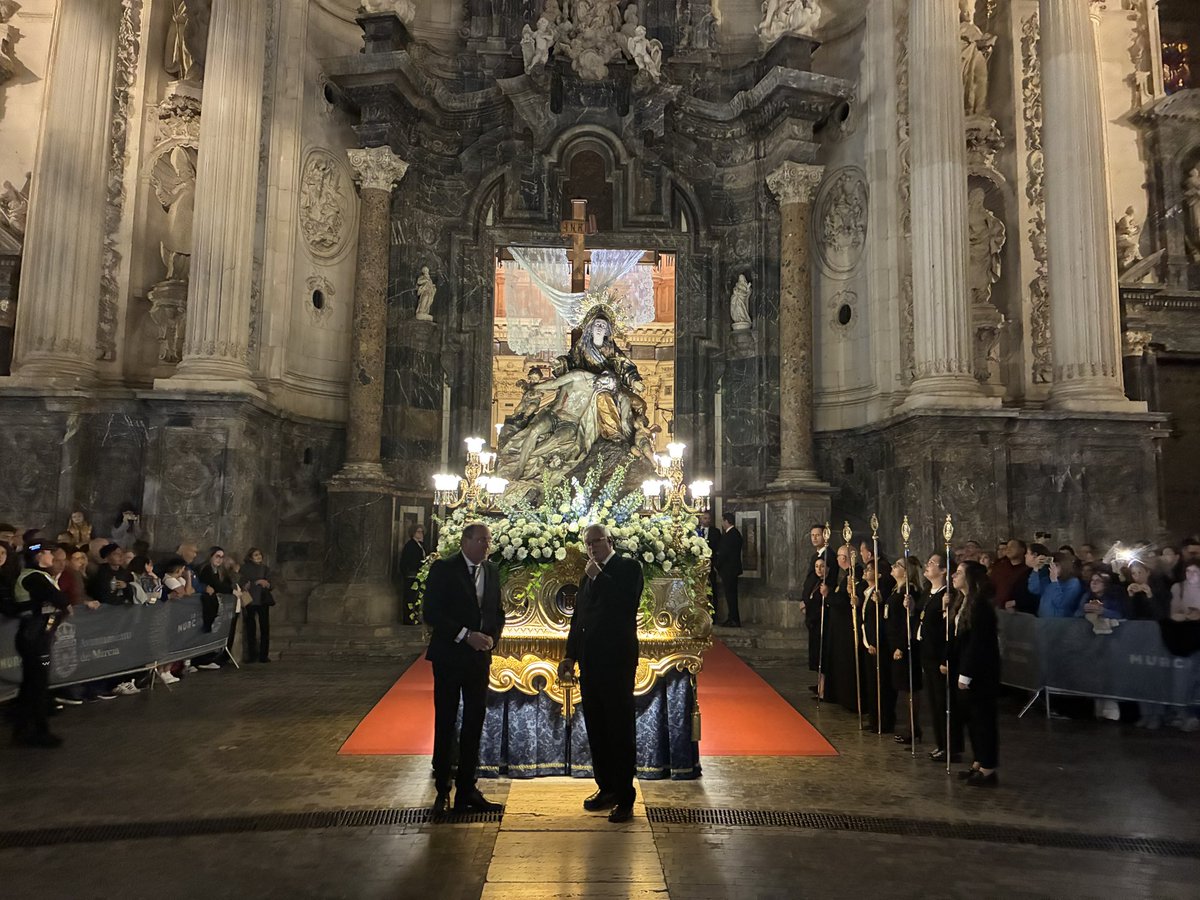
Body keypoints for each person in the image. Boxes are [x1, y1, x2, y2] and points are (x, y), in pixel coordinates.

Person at [559, 523, 645, 824]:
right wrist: (570, 655)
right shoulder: (588, 574)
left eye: (596, 542)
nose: (592, 548)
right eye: (588, 543)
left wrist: (601, 577)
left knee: (619, 729)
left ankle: (625, 796)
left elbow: (625, 605)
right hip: (591, 662)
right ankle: (606, 787)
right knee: (596, 728)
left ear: (610, 541)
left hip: (617, 662)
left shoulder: (628, 568)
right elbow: (579, 618)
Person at [423, 523, 504, 815]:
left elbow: (497, 611)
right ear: (466, 541)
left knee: (474, 722)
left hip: (478, 659)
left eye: (488, 541)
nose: (487, 545)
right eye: (482, 540)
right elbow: (431, 612)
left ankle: (468, 789)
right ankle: (443, 789)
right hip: (449, 656)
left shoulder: (492, 571)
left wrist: (492, 638)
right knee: (446, 721)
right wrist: (464, 635)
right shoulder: (444, 569)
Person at [2, 540, 70, 747]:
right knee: (38, 685)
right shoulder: (34, 577)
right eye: (48, 553)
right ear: (39, 556)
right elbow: (58, 599)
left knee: (32, 684)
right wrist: (57, 604)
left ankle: (24, 729)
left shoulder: (38, 576)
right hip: (35, 636)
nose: (52, 557)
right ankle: (38, 732)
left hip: (37, 634)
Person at [951, 560, 1001, 787]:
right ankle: (978, 762)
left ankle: (989, 768)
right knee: (972, 720)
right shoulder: (963, 602)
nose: (954, 576)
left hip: (980, 672)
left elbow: (978, 642)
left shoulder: (980, 605)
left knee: (983, 720)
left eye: (959, 573)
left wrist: (966, 673)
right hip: (966, 666)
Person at [919, 552, 962, 763]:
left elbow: (947, 628)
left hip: (938, 655)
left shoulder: (947, 595)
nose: (927, 566)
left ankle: (950, 746)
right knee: (934, 703)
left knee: (943, 702)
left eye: (932, 563)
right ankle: (940, 743)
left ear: (944, 570)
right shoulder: (929, 592)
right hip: (926, 653)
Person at [888, 555, 924, 745]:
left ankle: (913, 727)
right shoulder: (897, 590)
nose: (893, 567)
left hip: (905, 645)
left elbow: (908, 622)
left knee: (910, 687)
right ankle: (910, 726)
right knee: (903, 687)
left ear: (907, 571)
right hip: (895, 643)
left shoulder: (911, 592)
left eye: (898, 565)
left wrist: (900, 646)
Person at [861, 557, 896, 734]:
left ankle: (883, 720)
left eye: (869, 570)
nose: (865, 572)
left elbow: (878, 620)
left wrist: (873, 641)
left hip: (877, 643)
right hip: (868, 641)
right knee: (871, 683)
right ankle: (874, 718)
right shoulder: (867, 591)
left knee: (880, 683)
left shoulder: (880, 594)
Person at [800, 524, 833, 675]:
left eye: (817, 535)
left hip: (820, 607)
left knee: (821, 647)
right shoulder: (816, 555)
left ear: (825, 536)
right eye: (812, 535)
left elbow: (824, 581)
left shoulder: (828, 556)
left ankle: (823, 686)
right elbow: (809, 580)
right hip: (811, 607)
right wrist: (804, 599)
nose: (814, 538)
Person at [194, 546, 233, 670]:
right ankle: (199, 659)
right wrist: (230, 590)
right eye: (217, 556)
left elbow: (226, 583)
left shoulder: (220, 571)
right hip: (205, 605)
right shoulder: (206, 569)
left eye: (222, 557)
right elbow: (217, 586)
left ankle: (209, 657)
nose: (220, 559)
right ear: (210, 556)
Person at [239, 547, 273, 663]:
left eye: (259, 555)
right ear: (250, 557)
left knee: (264, 627)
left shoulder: (265, 569)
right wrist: (256, 582)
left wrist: (267, 584)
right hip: (250, 600)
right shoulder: (244, 569)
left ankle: (264, 655)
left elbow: (271, 583)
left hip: (262, 600)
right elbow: (242, 582)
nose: (258, 557)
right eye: (255, 555)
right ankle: (251, 655)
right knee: (250, 628)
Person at [714, 512, 743, 627]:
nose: (722, 524)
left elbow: (724, 553)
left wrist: (717, 565)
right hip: (731, 569)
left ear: (726, 521)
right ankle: (733, 618)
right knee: (731, 595)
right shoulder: (735, 534)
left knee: (731, 595)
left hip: (729, 570)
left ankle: (734, 619)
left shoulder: (731, 534)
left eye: (723, 521)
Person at [399, 524, 428, 626]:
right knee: (410, 597)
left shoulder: (420, 545)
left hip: (417, 574)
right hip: (411, 575)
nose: (420, 534)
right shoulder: (410, 545)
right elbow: (408, 561)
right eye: (418, 532)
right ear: (413, 533)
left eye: (421, 532)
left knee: (416, 598)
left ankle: (414, 618)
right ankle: (408, 618)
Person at [990, 539, 1030, 610]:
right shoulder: (999, 566)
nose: (1008, 549)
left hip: (1019, 611)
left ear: (1022, 550)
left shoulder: (1028, 569)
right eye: (1007, 547)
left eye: (1013, 546)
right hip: (997, 609)